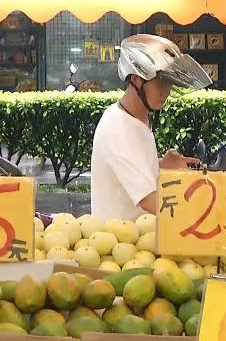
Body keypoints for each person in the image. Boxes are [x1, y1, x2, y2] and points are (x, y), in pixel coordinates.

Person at [90, 34, 212, 223]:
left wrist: (160, 165)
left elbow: (128, 166)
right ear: (137, 80)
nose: (166, 91)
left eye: (169, 84)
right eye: (160, 83)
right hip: (122, 243)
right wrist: (202, 215)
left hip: (142, 237)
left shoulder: (133, 119)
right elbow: (148, 200)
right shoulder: (118, 127)